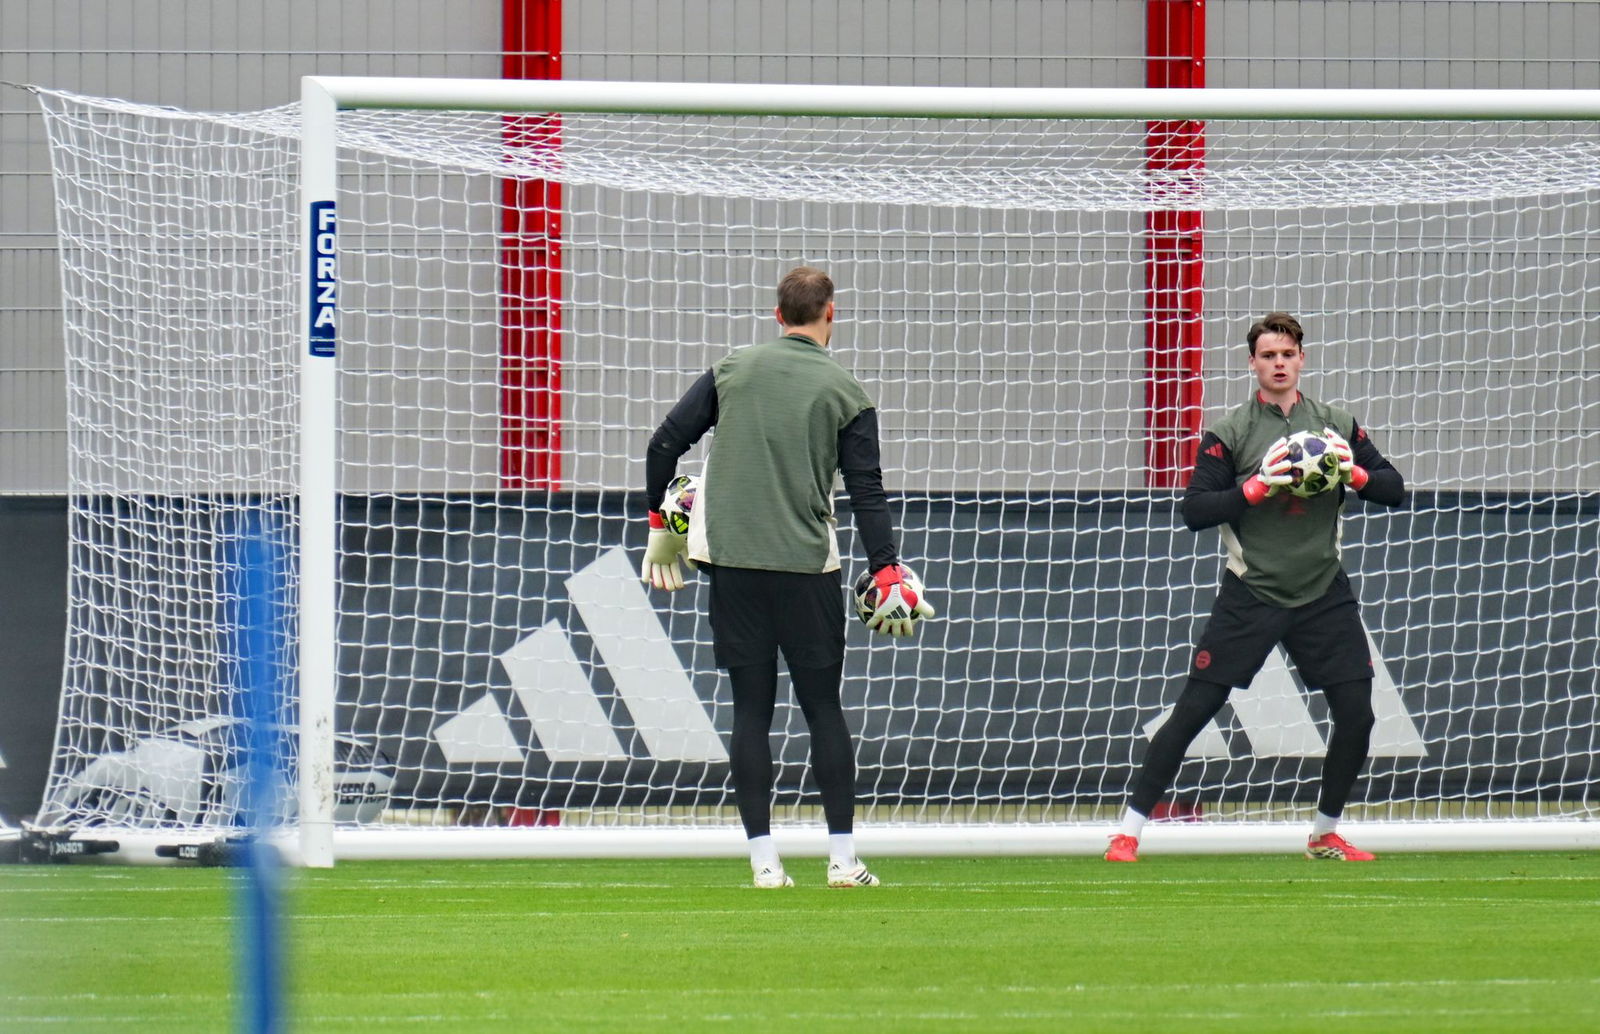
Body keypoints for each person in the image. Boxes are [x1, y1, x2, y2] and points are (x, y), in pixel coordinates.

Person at [641, 266, 933, 889]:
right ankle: (842, 860)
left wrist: (661, 522)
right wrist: (885, 565)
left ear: (778, 316)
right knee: (823, 710)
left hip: (734, 567)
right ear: (832, 314)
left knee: (751, 711)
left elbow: (663, 446)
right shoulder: (846, 390)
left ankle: (764, 863)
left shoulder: (732, 370)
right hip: (807, 569)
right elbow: (866, 490)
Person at [1106, 312, 1406, 863]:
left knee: (1358, 715)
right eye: (1268, 356)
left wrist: (1353, 473)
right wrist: (1257, 486)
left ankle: (1324, 834)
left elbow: (1394, 489)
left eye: (1287, 354)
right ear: (1253, 364)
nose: (1278, 364)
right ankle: (1127, 832)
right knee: (1194, 711)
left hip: (1322, 591)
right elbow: (1195, 510)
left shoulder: (1336, 424)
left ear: (1301, 359)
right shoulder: (1231, 431)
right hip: (1252, 591)